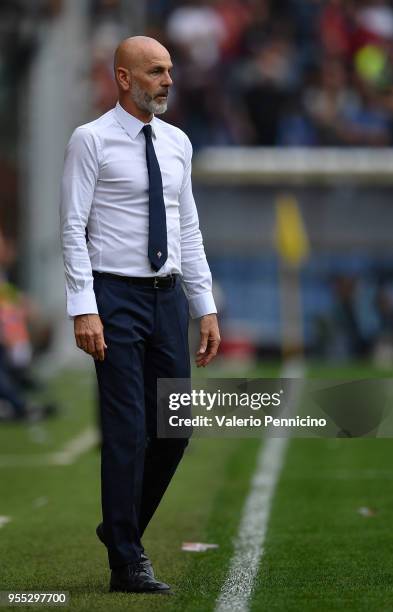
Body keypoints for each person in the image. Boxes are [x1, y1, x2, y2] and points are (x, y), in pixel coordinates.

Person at [60, 36, 220, 594]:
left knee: (174, 430)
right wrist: (85, 308)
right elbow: (72, 229)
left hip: (168, 298)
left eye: (170, 70)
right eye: (155, 71)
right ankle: (127, 561)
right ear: (124, 79)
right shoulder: (91, 140)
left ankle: (120, 529)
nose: (168, 81)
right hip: (115, 298)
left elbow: (188, 229)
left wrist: (204, 305)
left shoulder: (179, 143)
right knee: (127, 430)